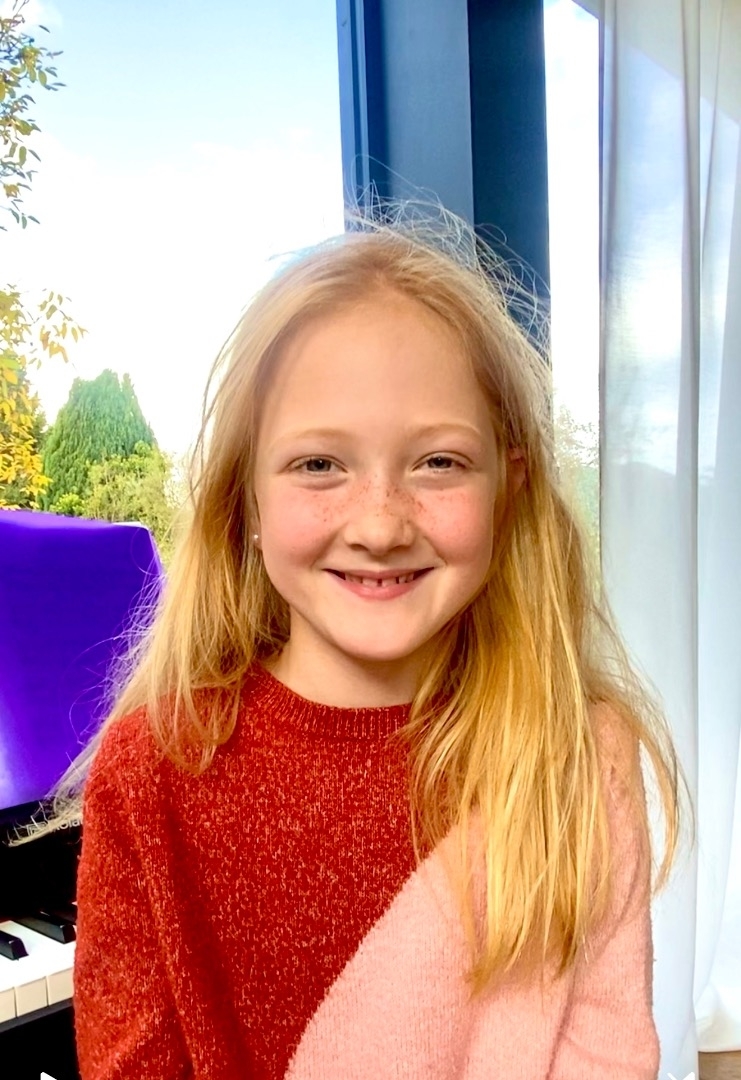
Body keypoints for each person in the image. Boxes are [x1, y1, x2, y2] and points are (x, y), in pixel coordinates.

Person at [68, 211, 683, 1079]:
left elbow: (607, 1054)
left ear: (507, 488)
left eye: (438, 463)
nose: (381, 524)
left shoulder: (580, 754)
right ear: (244, 496)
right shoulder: (152, 769)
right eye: (319, 465)